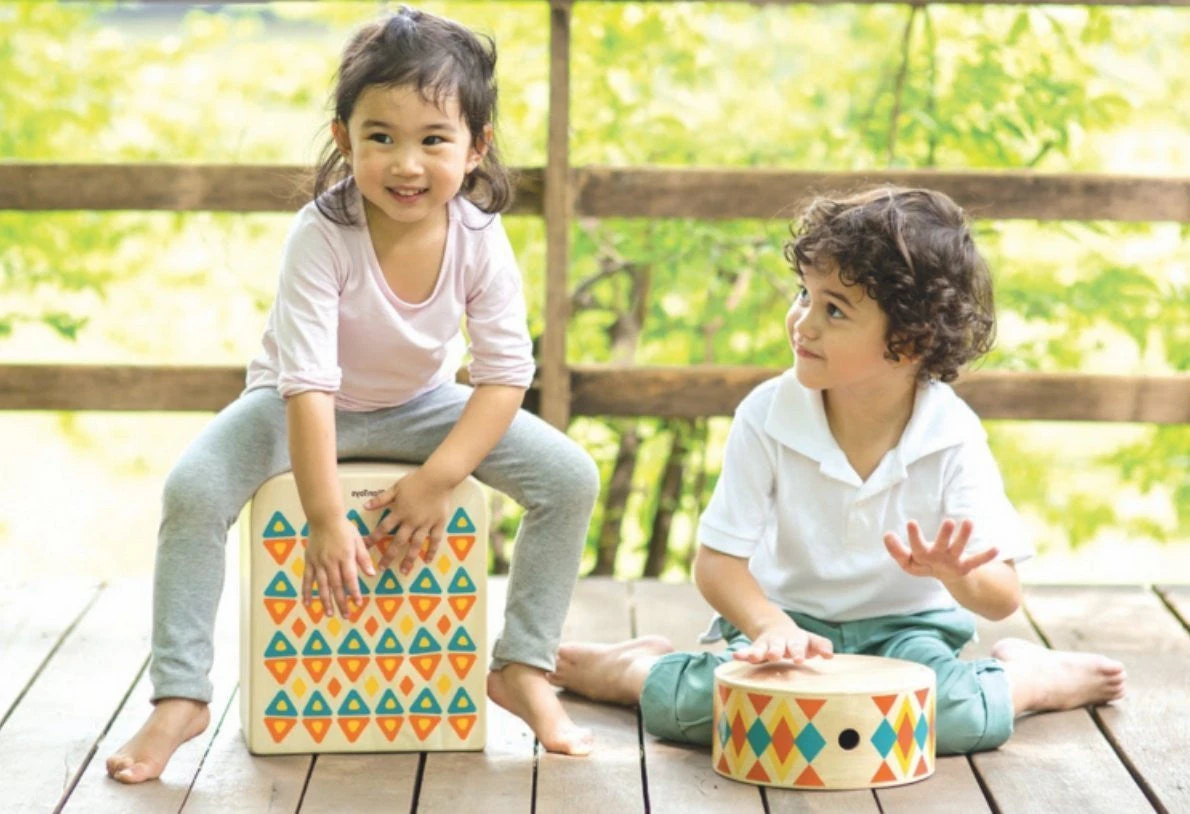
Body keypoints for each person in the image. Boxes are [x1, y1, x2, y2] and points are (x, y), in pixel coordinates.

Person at [108, 7, 600, 783]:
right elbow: (308, 384)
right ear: (344, 138)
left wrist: (439, 478)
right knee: (194, 489)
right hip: (294, 408)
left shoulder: (479, 236)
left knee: (569, 478)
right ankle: (180, 695)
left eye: (433, 140)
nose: (407, 164)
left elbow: (505, 374)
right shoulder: (320, 233)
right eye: (381, 137)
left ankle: (522, 667)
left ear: (476, 148)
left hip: (422, 406)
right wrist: (326, 515)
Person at [549, 187, 1126, 754]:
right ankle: (632, 670)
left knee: (956, 717)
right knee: (698, 707)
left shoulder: (951, 434)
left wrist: (956, 576)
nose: (803, 322)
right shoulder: (768, 414)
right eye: (804, 293)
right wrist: (770, 626)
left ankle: (1030, 680)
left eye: (834, 309)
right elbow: (717, 564)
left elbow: (1002, 598)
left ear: (909, 341)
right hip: (789, 626)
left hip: (907, 634)